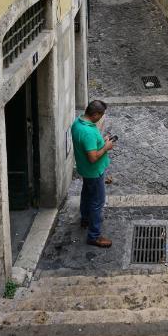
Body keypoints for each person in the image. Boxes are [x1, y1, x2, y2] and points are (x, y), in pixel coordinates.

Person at [71, 100, 114, 248]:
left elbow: (88, 147)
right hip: (94, 172)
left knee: (87, 193)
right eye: (100, 115)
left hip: (85, 170)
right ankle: (94, 236)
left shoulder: (78, 122)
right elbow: (93, 157)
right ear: (95, 114)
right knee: (97, 202)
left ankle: (85, 218)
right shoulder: (88, 132)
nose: (101, 118)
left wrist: (102, 141)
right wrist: (106, 147)